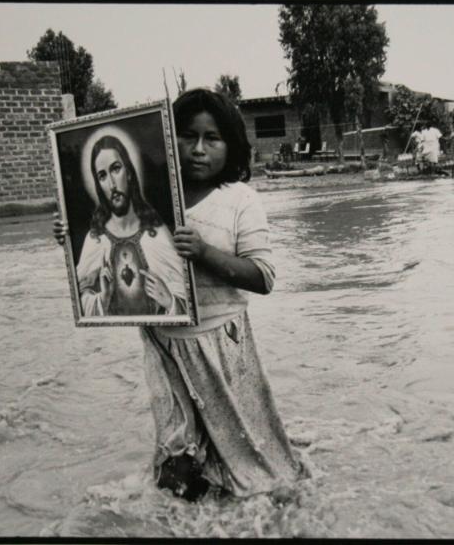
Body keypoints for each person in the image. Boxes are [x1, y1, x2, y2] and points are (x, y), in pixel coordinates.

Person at [54, 88, 303, 501]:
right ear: (170, 139)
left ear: (232, 145)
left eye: (213, 138)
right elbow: (100, 261)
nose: (199, 149)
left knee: (254, 464)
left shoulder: (240, 200)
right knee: (177, 466)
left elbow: (263, 276)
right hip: (164, 344)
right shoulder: (150, 201)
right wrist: (72, 234)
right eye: (188, 136)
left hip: (222, 345)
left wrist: (204, 253)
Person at [71, 135, 187, 317]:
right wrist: (103, 298)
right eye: (102, 176)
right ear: (98, 185)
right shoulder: (96, 240)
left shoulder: (156, 234)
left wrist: (170, 301)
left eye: (116, 169)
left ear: (130, 173)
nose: (112, 184)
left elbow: (190, 297)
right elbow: (77, 299)